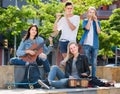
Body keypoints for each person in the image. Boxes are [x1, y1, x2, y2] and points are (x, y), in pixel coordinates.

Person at [79, 7, 101, 78]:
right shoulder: (85, 21)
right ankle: (87, 75)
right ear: (88, 13)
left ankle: (94, 77)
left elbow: (99, 32)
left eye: (93, 12)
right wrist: (89, 20)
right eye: (90, 12)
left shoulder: (98, 22)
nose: (92, 14)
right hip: (86, 44)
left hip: (95, 45)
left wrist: (96, 21)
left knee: (94, 62)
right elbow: (87, 28)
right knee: (87, 61)